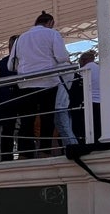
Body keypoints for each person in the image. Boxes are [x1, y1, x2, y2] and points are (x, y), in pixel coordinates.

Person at [9, 12, 70, 157]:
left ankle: (25, 152)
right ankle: (45, 150)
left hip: (25, 84)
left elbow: (11, 66)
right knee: (47, 118)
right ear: (50, 22)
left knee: (26, 119)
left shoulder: (21, 38)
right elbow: (62, 57)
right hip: (48, 82)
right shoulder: (52, 34)